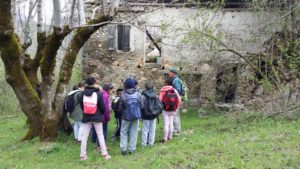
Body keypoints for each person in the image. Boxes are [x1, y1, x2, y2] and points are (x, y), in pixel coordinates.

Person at [79, 77, 111, 160]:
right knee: (100, 135)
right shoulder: (98, 93)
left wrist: (86, 111)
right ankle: (104, 154)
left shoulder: (82, 94)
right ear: (94, 83)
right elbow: (103, 107)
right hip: (97, 117)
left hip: (86, 117)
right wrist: (100, 112)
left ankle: (83, 156)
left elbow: (81, 106)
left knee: (84, 136)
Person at [119, 78, 142, 155]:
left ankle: (123, 150)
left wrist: (122, 114)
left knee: (123, 132)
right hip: (136, 116)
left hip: (126, 117)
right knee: (134, 132)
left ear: (125, 86)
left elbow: (120, 108)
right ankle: (132, 150)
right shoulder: (138, 94)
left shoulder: (123, 95)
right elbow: (142, 106)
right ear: (133, 86)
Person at [140, 82, 162, 147]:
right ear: (153, 88)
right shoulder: (156, 95)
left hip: (145, 115)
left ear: (145, 87)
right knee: (152, 130)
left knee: (145, 130)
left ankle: (143, 144)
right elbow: (159, 105)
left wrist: (143, 112)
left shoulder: (143, 95)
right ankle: (151, 143)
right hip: (154, 115)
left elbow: (141, 105)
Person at [167, 67, 183, 135]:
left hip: (176, 100)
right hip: (175, 100)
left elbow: (178, 91)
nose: (168, 73)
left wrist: (170, 91)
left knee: (175, 115)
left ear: (173, 73)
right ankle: (177, 129)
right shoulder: (174, 79)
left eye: (170, 72)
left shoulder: (176, 80)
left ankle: (176, 130)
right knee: (176, 114)